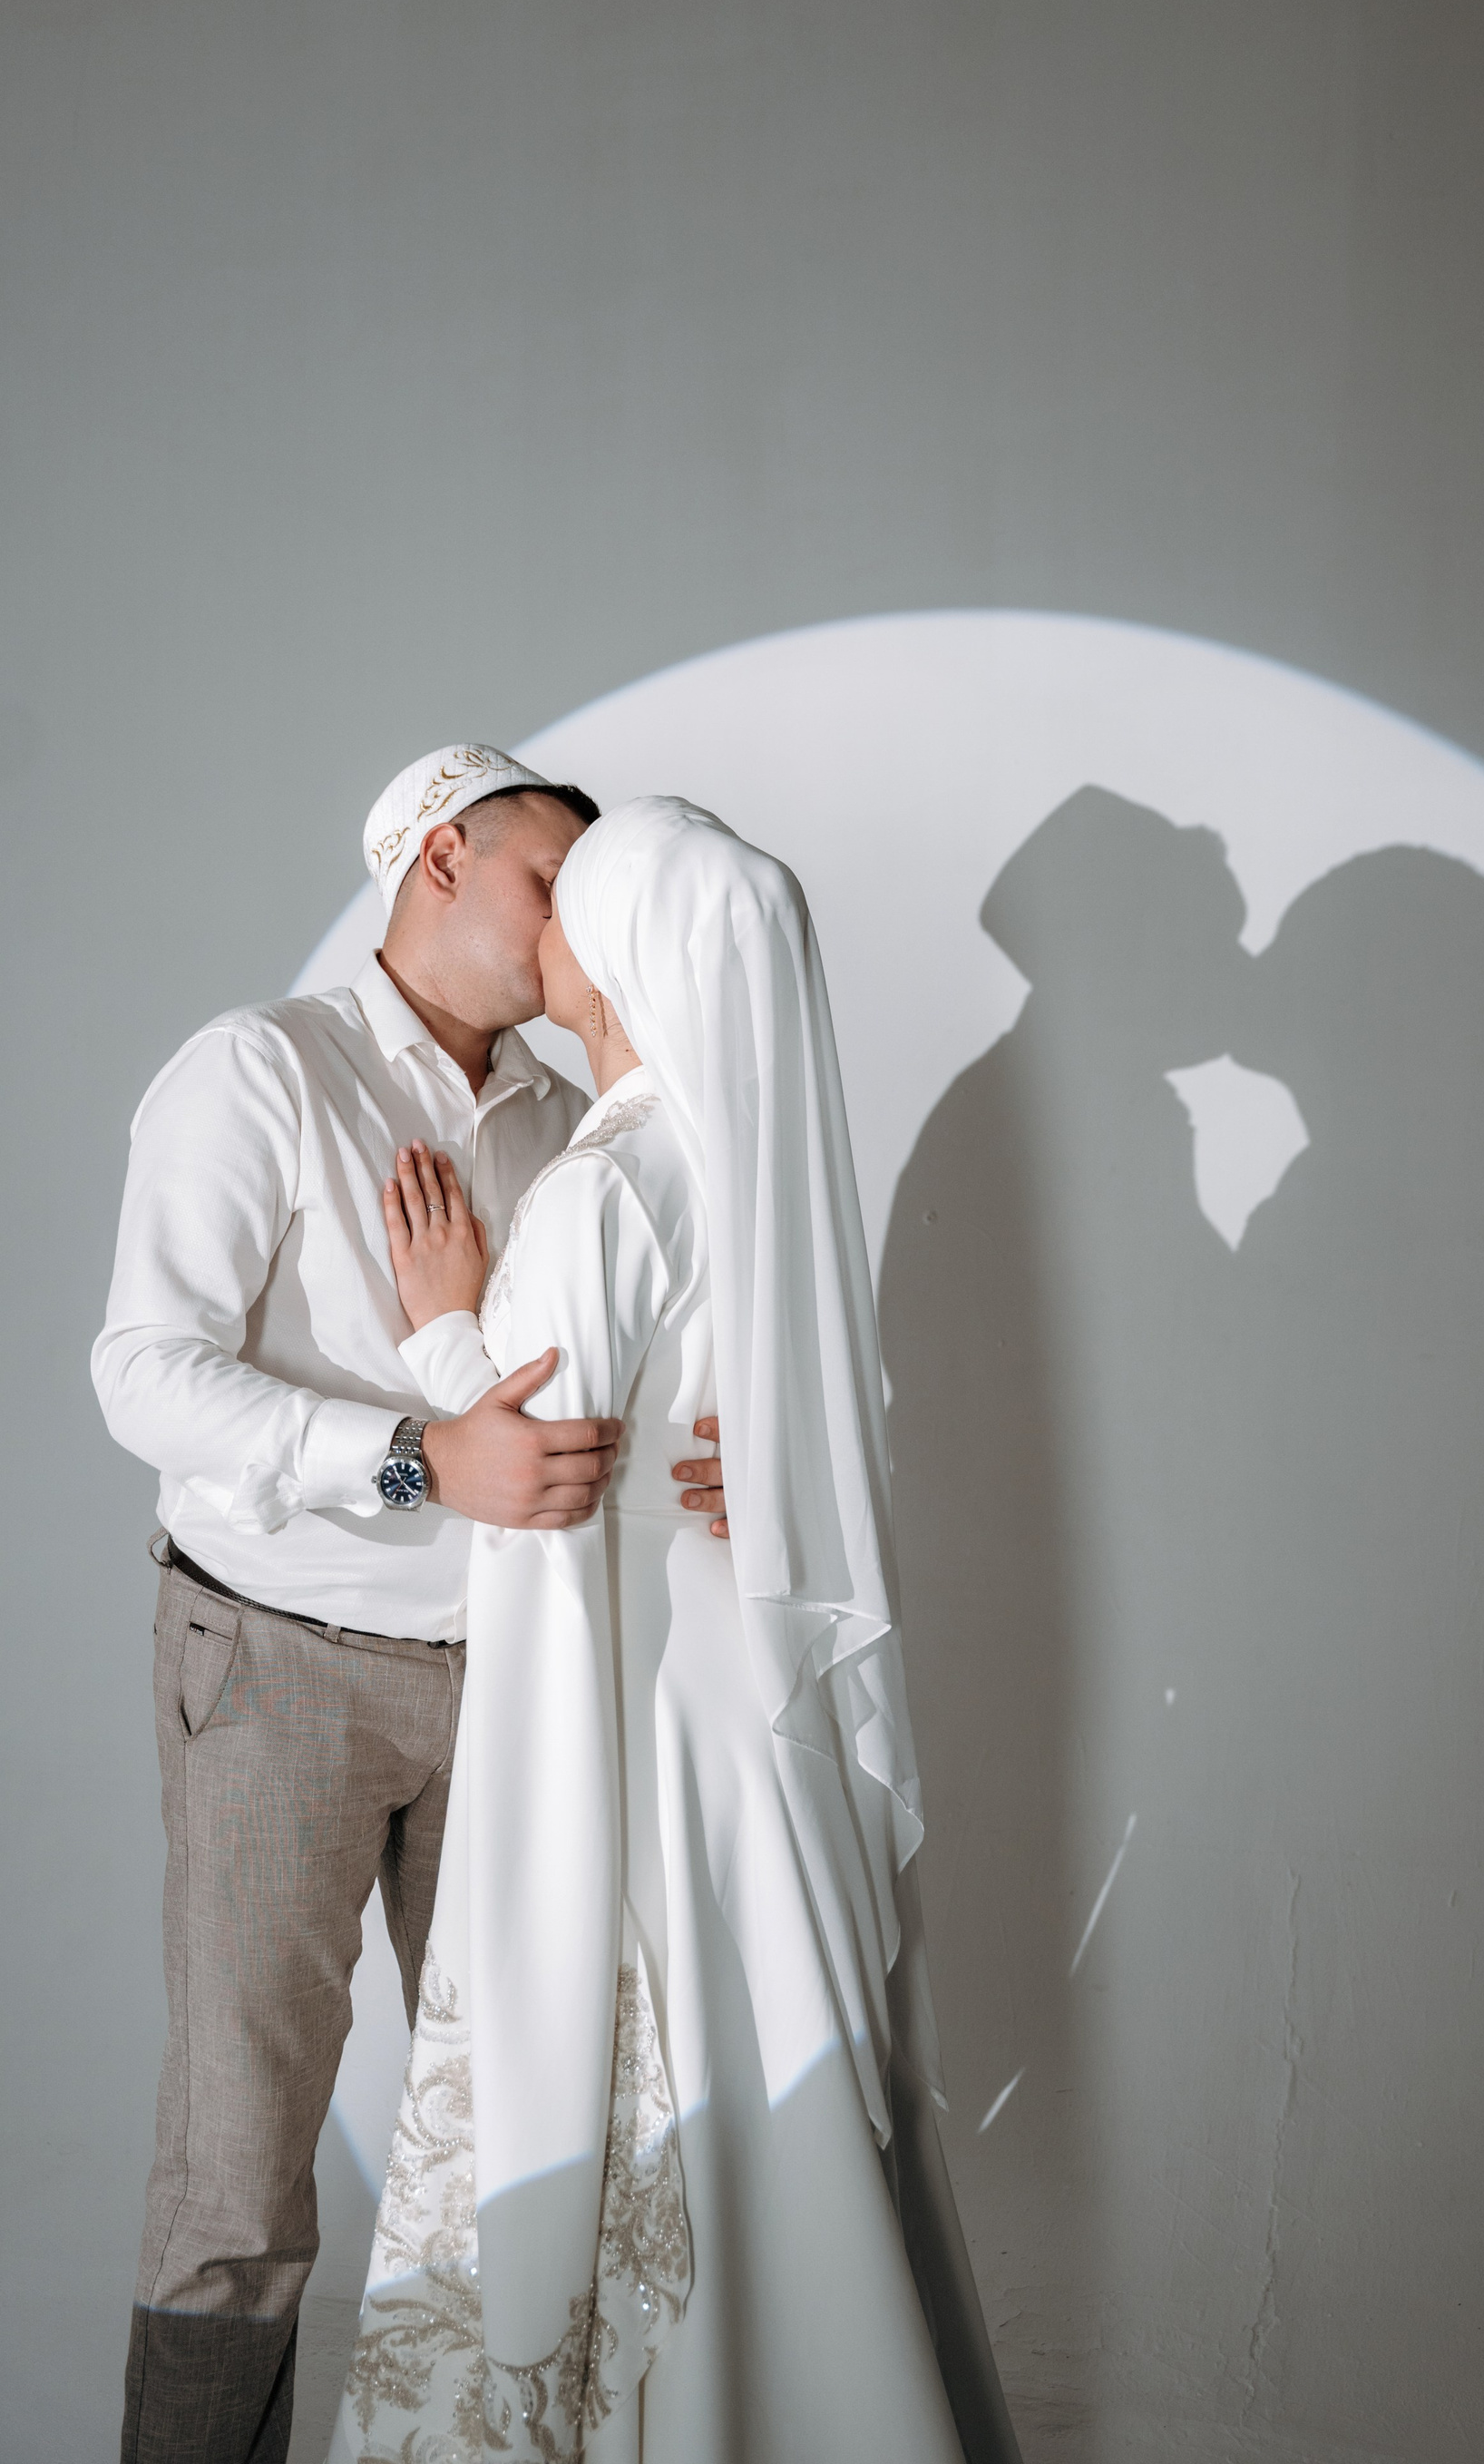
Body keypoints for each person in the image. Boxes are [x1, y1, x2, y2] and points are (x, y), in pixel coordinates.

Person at [328, 797, 1019, 2464]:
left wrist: (441, 1332)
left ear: (627, 946)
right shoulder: (743, 1164)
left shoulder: (612, 1182)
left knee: (660, 2035)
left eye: (576, 898)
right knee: (756, 2023)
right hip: (742, 1695)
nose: (547, 924)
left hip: (635, 1694)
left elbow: (540, 1469)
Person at [93, 746, 729, 2464]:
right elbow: (142, 1373)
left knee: (527, 2129)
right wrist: (410, 1457)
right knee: (238, 2176)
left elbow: (598, 1392)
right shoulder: (260, 1068)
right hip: (275, 1665)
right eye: (552, 881)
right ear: (443, 856)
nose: (577, 922)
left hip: (518, 1680)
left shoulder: (572, 1115)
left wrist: (726, 1458)